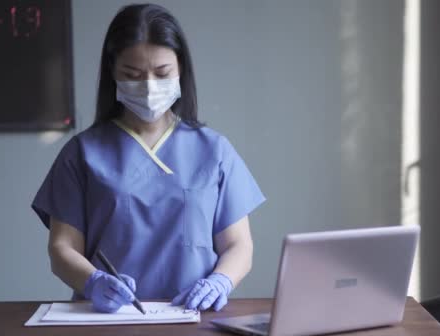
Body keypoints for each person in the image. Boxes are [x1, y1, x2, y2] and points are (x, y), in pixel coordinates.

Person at [32, 3, 265, 313]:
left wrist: (220, 281)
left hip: (195, 319)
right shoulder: (83, 153)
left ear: (181, 69)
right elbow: (62, 249)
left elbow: (239, 245)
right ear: (113, 72)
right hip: (108, 321)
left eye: (162, 72)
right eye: (133, 74)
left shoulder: (214, 150)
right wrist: (93, 281)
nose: (149, 86)